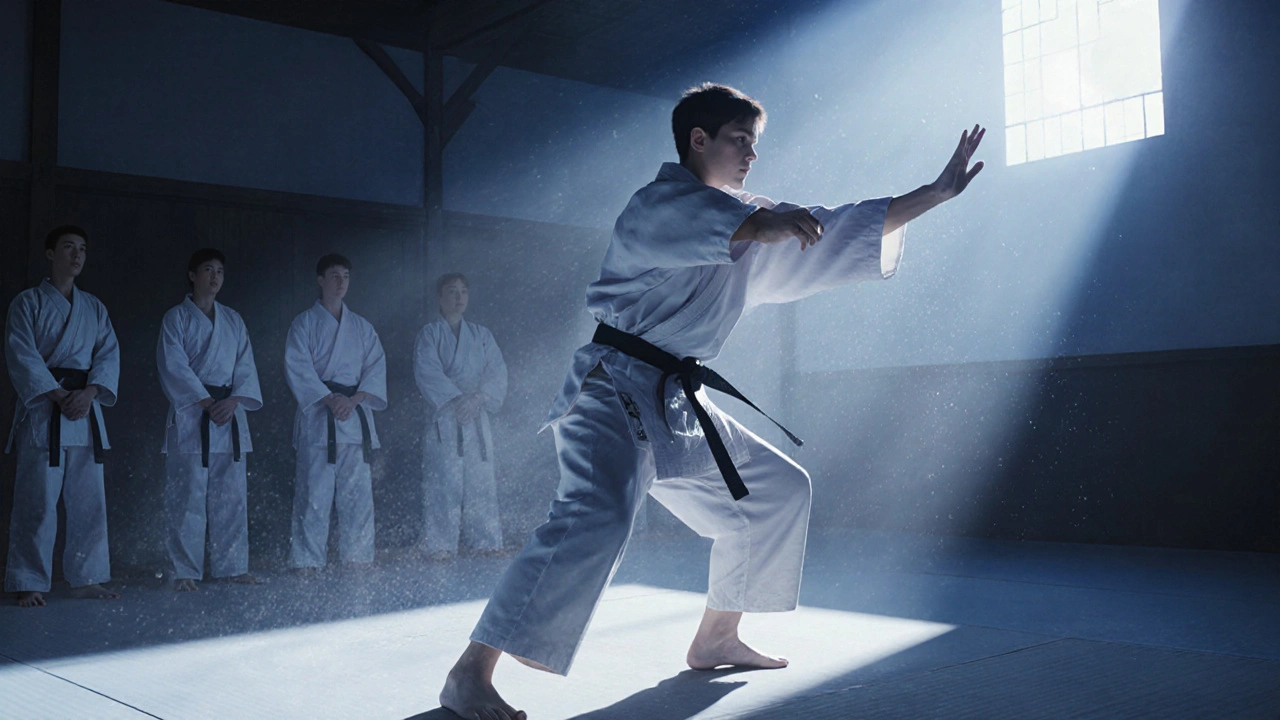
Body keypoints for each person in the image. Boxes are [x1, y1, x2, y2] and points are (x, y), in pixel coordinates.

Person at [439, 83, 986, 719]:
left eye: (755, 143)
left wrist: (933, 195)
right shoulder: (658, 204)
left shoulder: (750, 218)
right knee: (598, 512)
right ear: (698, 140)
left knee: (777, 490)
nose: (752, 153)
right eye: (739, 140)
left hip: (674, 399)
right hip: (613, 391)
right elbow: (729, 226)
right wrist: (768, 224)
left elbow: (835, 227)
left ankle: (717, 636)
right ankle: (469, 673)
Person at [4, 225, 121, 607]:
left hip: (84, 411)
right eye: (69, 247)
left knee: (90, 503)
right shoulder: (28, 303)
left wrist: (87, 393)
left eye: (82, 249)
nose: (77, 255)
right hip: (44, 410)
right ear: (51, 253)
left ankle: (87, 578)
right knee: (37, 502)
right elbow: (22, 355)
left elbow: (107, 355)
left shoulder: (95, 308)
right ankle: (30, 581)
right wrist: (57, 394)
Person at [156, 248, 263, 591]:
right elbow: (173, 366)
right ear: (192, 275)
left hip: (228, 414)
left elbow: (245, 367)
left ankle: (232, 567)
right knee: (187, 496)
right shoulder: (176, 318)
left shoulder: (233, 319)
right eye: (207, 270)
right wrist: (205, 401)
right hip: (193, 416)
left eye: (220, 271)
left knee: (231, 497)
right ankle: (184, 571)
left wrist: (231, 401)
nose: (215, 277)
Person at [284, 253, 387, 575]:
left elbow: (375, 366)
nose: (341, 282)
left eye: (345, 276)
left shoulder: (362, 326)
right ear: (320, 280)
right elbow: (297, 367)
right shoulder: (304, 323)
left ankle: (358, 556)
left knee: (358, 495)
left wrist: (353, 400)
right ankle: (306, 560)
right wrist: (329, 399)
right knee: (314, 494)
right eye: (334, 276)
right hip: (319, 418)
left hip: (353, 418)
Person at [414, 273, 509, 561]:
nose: (459, 298)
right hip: (446, 416)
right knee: (444, 482)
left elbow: (498, 372)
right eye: (452, 292)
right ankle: (440, 544)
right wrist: (457, 400)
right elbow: (426, 372)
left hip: (476, 415)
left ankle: (486, 541)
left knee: (481, 481)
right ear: (440, 298)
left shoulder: (482, 335)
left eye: (463, 292)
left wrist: (477, 398)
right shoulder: (429, 334)